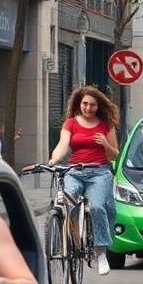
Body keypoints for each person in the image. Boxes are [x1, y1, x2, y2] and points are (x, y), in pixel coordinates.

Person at [38, 86, 120, 274]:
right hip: (74, 171)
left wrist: (106, 144)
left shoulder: (105, 125)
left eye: (92, 105)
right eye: (85, 104)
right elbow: (63, 144)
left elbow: (114, 155)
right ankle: (72, 241)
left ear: (98, 106)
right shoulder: (71, 124)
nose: (88, 108)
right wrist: (54, 160)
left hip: (99, 173)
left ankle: (100, 252)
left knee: (98, 207)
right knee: (66, 200)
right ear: (79, 104)